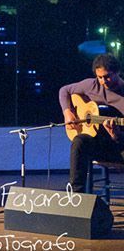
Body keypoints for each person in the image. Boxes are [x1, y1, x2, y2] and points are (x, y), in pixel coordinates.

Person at [60, 53, 124, 192]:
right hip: (97, 143)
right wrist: (67, 113)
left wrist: (116, 136)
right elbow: (64, 90)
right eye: (99, 77)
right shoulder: (91, 85)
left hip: (117, 148)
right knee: (79, 141)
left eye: (107, 76)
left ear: (117, 72)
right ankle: (77, 195)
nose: (103, 81)